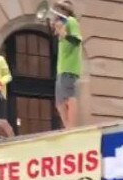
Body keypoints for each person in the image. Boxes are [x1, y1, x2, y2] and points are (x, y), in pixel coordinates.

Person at [50, 0, 82, 129]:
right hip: (61, 69)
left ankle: (71, 127)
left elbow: (76, 40)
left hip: (69, 67)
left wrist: (64, 33)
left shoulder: (71, 21)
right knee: (59, 102)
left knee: (69, 97)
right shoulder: (62, 24)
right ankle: (68, 126)